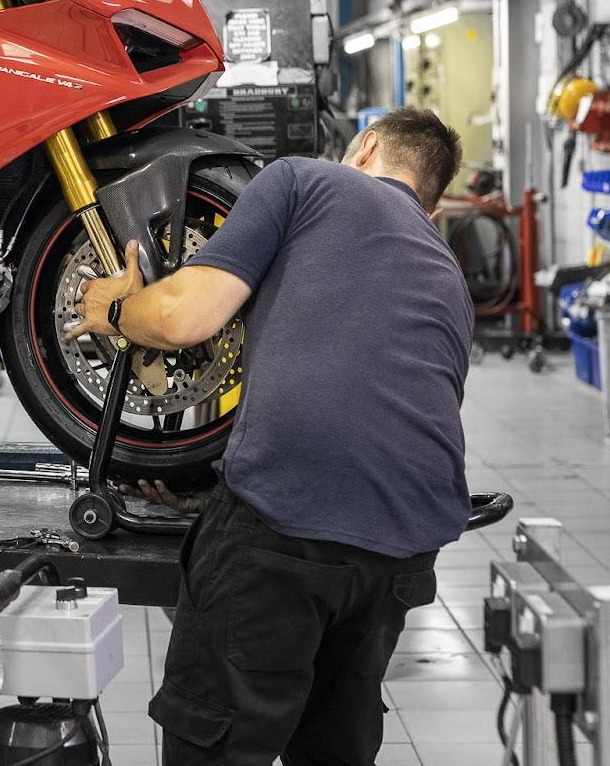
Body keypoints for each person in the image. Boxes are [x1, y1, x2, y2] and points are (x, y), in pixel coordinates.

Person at [65, 107, 472, 766]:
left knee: (217, 746)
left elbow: (182, 319)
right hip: (404, 550)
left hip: (288, 520)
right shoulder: (446, 272)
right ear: (433, 198)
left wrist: (113, 309)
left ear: (365, 147)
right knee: (332, 749)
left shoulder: (304, 182)